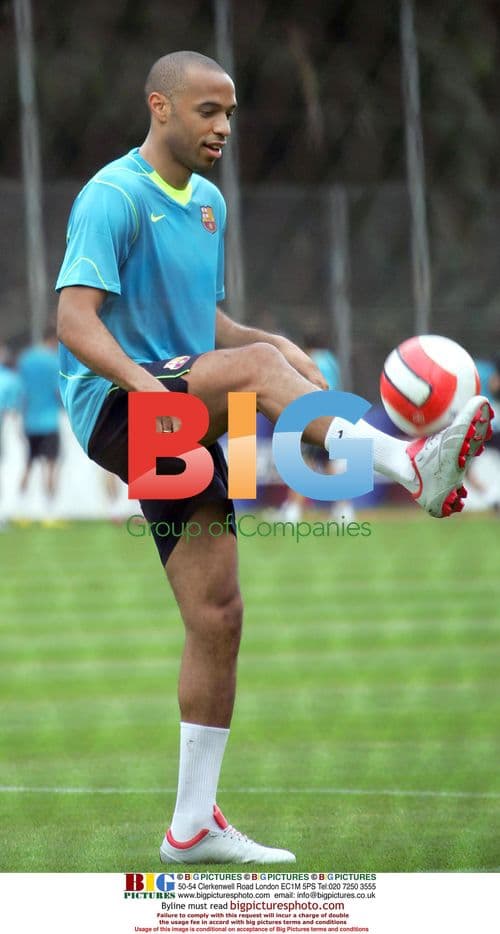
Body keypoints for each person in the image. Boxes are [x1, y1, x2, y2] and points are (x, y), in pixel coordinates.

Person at [55, 50, 493, 865]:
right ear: (160, 107)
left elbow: (209, 328)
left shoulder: (210, 205)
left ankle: (191, 828)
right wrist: (149, 389)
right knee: (264, 377)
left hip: (182, 414)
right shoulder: (111, 196)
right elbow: (75, 323)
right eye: (208, 112)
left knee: (218, 617)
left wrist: (270, 342)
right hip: (125, 406)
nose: (224, 127)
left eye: (230, 113)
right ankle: (409, 466)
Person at [18, 324, 62, 513]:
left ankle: (18, 505)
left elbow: (22, 391)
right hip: (49, 420)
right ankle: (49, 509)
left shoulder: (26, 358)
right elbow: (57, 391)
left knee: (28, 463)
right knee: (51, 464)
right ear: (53, 340)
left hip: (30, 420)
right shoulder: (54, 361)